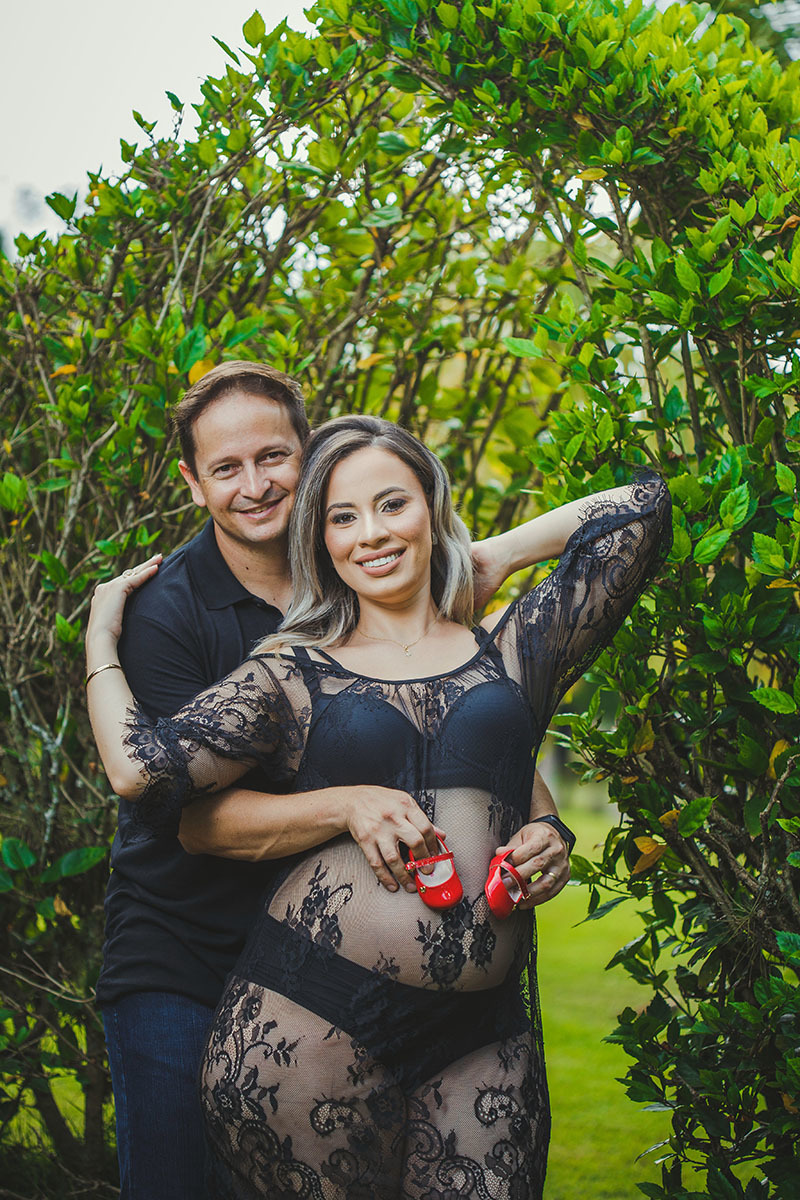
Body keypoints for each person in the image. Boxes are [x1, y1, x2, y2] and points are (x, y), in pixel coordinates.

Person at [86, 413, 671, 1198]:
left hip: (483, 1034)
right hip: (312, 1023)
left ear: (431, 503)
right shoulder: (291, 671)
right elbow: (142, 773)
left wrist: (487, 556)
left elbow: (641, 510)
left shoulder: (509, 651)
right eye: (343, 517)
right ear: (320, 541)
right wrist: (99, 640)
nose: (371, 534)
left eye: (393, 503)